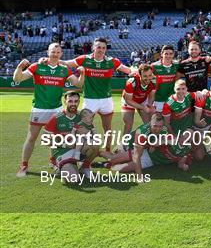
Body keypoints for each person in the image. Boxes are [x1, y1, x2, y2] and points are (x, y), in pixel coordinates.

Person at [14, 43, 84, 177]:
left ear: (61, 54)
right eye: (53, 51)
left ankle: (53, 160)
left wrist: (82, 73)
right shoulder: (37, 66)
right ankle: (24, 165)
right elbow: (17, 78)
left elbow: (78, 84)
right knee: (31, 137)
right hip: (39, 109)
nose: (55, 54)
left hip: (56, 109)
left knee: (56, 137)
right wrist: (20, 66)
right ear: (48, 52)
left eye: (58, 52)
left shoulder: (64, 70)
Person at [59, 37, 132, 151]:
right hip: (90, 100)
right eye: (98, 47)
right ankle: (81, 152)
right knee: (83, 128)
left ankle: (107, 151)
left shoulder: (111, 61)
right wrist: (50, 60)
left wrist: (141, 70)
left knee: (107, 128)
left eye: (103, 48)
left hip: (106, 100)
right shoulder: (84, 59)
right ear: (93, 47)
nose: (101, 50)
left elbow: (128, 70)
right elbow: (66, 63)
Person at [42, 91, 83, 184]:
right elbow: (44, 139)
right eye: (70, 101)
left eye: (76, 101)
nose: (73, 104)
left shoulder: (82, 116)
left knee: (93, 145)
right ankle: (58, 165)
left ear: (79, 102)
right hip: (61, 151)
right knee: (74, 180)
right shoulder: (56, 117)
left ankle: (84, 167)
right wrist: (65, 145)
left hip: (77, 150)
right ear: (65, 102)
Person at [121, 63, 156, 136]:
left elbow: (151, 96)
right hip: (129, 101)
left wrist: (149, 105)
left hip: (143, 100)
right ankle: (123, 145)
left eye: (150, 75)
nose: (148, 78)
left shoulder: (154, 81)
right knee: (128, 124)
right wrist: (143, 107)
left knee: (148, 124)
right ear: (139, 75)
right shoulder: (131, 82)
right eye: (145, 76)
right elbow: (128, 100)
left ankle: (147, 143)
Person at [152, 45, 179, 113]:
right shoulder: (154, 66)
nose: (168, 56)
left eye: (170, 54)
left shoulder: (177, 65)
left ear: (173, 55)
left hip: (172, 99)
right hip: (158, 99)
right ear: (161, 54)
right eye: (166, 53)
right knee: (158, 121)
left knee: (171, 121)